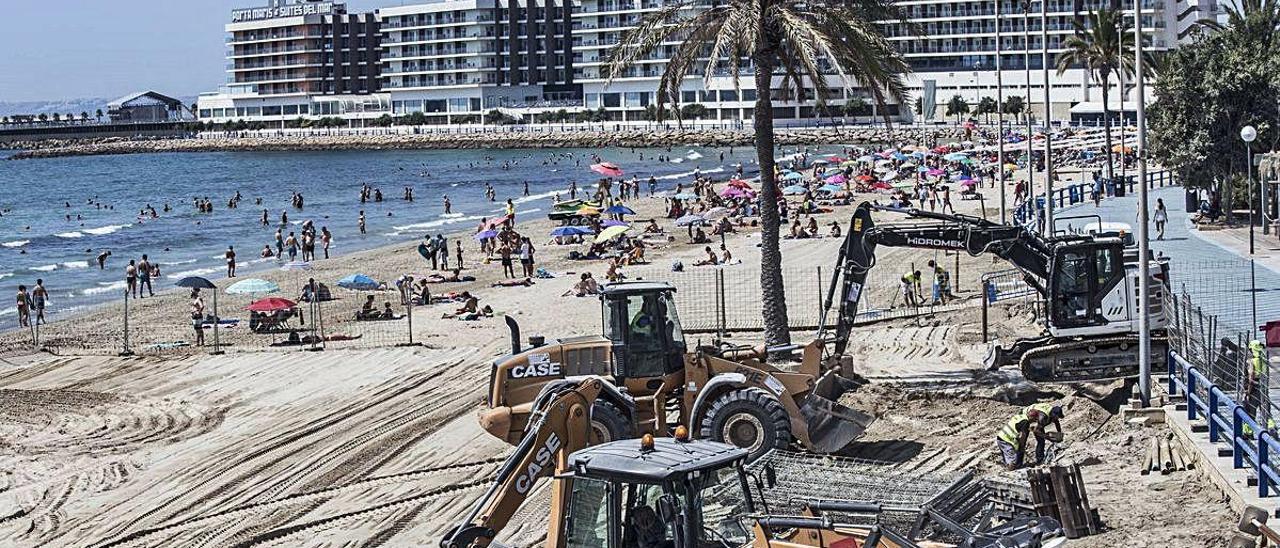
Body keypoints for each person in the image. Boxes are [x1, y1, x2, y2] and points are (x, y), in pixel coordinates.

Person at [995, 403, 1064, 470]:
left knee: (1024, 442)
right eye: (1056, 417)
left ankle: (1014, 463)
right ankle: (1023, 463)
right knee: (1033, 441)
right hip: (1024, 419)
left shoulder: (1052, 412)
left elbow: (1056, 422)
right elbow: (1036, 431)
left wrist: (1059, 434)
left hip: (1029, 417)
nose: (1056, 418)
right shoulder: (1040, 417)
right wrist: (1047, 437)